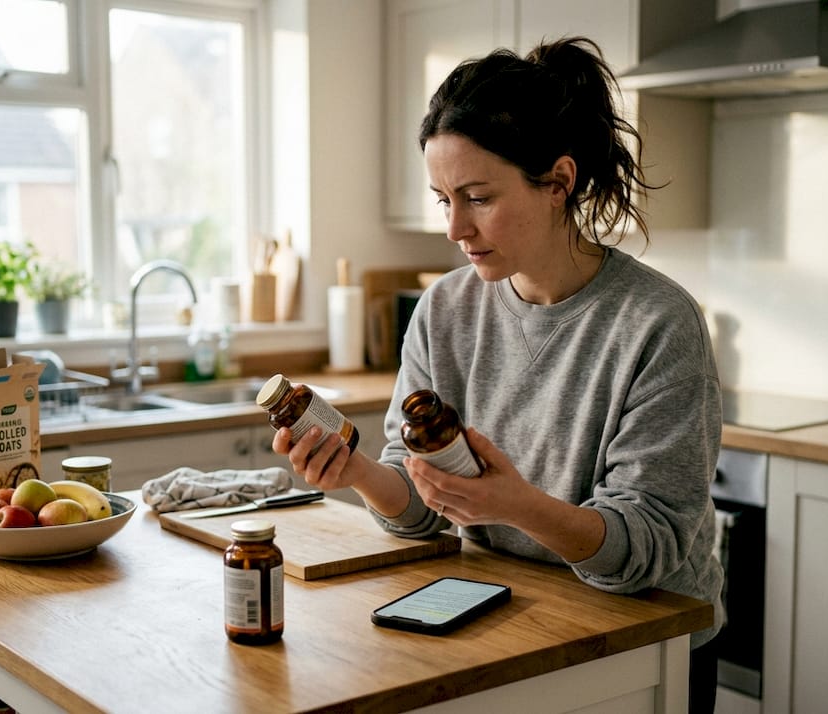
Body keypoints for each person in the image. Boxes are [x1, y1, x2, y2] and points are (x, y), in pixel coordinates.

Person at [272, 36, 723, 712]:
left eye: (477, 197)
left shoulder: (657, 324)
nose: (455, 226)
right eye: (442, 199)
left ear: (558, 183)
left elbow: (647, 550)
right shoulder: (444, 310)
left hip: (648, 642)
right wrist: (358, 473)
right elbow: (422, 511)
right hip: (506, 624)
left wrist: (516, 506)